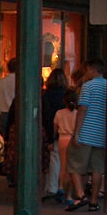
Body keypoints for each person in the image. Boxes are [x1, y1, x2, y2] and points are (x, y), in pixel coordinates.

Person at [65, 58, 107, 212]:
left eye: (87, 70)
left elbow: (82, 109)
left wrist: (76, 132)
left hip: (86, 132)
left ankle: (81, 195)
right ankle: (94, 202)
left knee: (73, 161)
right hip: (101, 134)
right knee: (97, 169)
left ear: (92, 69)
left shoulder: (88, 87)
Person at [41, 69, 68, 200]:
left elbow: (46, 116)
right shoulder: (66, 95)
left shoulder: (47, 95)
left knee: (54, 160)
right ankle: (62, 187)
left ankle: (52, 187)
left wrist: (50, 136)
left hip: (53, 130)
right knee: (66, 162)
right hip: (67, 132)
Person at [54, 90, 78, 202]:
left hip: (62, 139)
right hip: (73, 139)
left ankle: (60, 187)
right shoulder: (77, 114)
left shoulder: (59, 113)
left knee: (62, 165)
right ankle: (69, 195)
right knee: (72, 167)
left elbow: (55, 128)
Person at [0, 57, 17, 141]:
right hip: (18, 114)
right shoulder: (21, 82)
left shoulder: (1, 83)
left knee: (6, 140)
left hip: (4, 114)